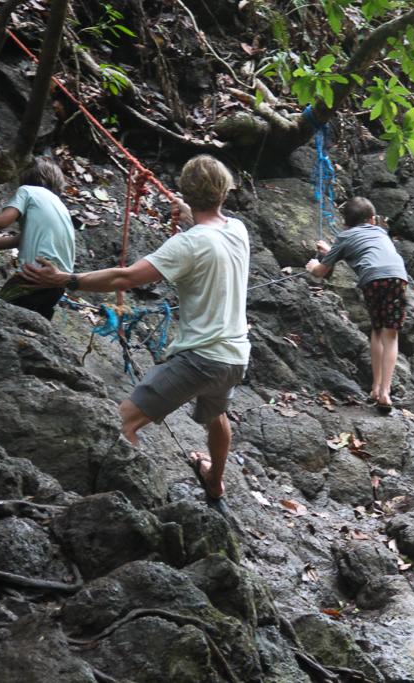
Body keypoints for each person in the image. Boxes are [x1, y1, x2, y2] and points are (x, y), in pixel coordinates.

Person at [19, 155, 249, 500]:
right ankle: (215, 482)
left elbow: (125, 277)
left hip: (200, 360)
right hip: (235, 358)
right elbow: (210, 231)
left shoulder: (188, 244)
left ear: (187, 194)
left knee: (121, 424)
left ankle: (146, 499)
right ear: (224, 194)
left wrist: (64, 279)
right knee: (216, 415)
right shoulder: (237, 230)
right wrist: (191, 215)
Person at [306, 197, 408, 413]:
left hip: (373, 279)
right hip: (398, 277)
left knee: (377, 330)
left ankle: (375, 387)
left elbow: (320, 272)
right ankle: (385, 393)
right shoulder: (381, 232)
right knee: (391, 335)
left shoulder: (344, 237)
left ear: (346, 223)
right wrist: (331, 251)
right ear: (373, 220)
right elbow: (364, 248)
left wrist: (313, 265)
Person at [0, 157, 75, 321]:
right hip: (58, 283)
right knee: (33, 332)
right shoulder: (60, 206)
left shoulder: (27, 191)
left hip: (33, 275)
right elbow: (18, 240)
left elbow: (2, 221)